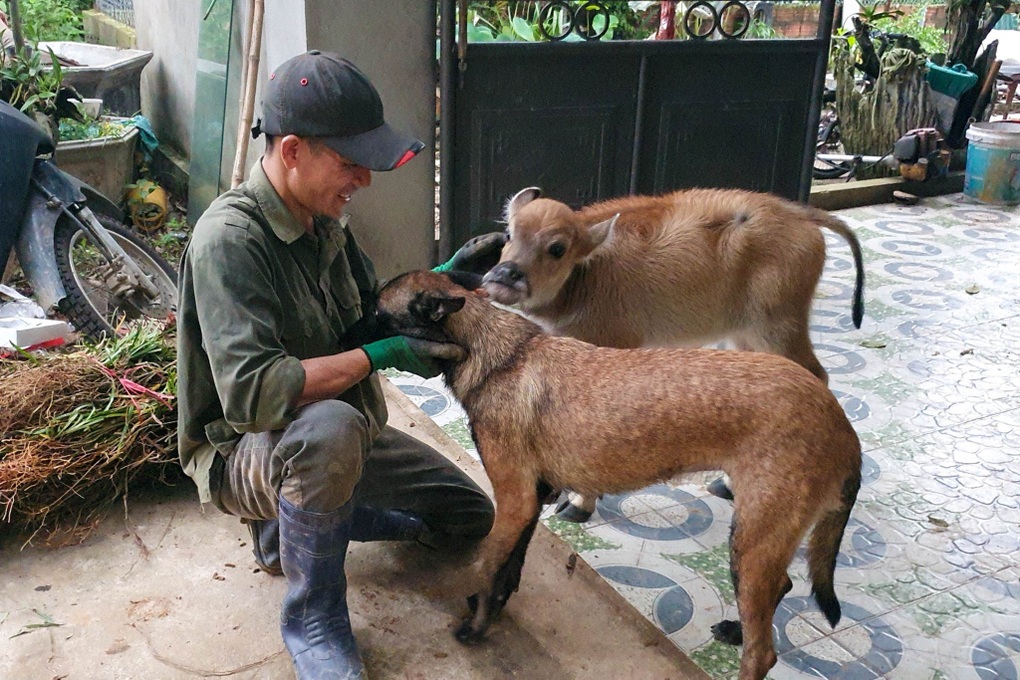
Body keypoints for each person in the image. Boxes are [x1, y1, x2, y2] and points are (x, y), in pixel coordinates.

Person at [177, 51, 504, 679]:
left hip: (340, 438)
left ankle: (292, 530)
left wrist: (437, 287)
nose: (364, 179)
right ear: (293, 150)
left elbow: (366, 318)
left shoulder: (325, 222)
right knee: (330, 430)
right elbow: (252, 395)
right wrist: (381, 355)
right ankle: (315, 618)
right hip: (246, 448)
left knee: (468, 518)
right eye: (350, 163)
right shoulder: (230, 241)